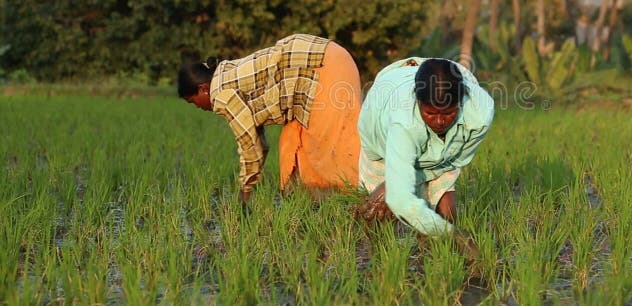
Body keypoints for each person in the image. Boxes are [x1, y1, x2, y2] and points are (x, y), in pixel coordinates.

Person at [178, 34, 361, 205]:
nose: (199, 107)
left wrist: (245, 191)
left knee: (332, 149)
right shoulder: (225, 74)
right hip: (327, 56)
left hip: (323, 66)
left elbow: (249, 145)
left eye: (193, 102)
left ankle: (359, 203)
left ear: (203, 89)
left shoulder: (220, 94)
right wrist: (249, 183)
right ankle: (316, 208)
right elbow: (257, 141)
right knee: (295, 148)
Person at [355, 57, 494, 236]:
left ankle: (436, 256)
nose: (439, 121)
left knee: (447, 210)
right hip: (384, 134)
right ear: (418, 102)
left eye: (449, 113)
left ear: (460, 104)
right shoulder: (401, 120)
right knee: (378, 212)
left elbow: (456, 159)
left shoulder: (479, 115)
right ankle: (377, 256)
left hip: (440, 77)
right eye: (430, 113)